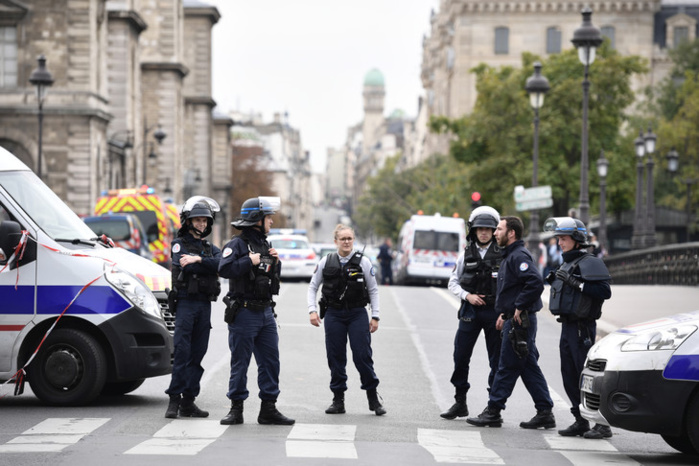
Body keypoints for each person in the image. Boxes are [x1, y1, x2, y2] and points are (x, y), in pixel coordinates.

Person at [466, 216, 555, 429]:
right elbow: (513, 290)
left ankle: (494, 411)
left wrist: (518, 307)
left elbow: (535, 283)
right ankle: (545, 411)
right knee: (528, 366)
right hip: (514, 319)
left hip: (520, 322)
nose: (495, 233)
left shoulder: (519, 256)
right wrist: (505, 313)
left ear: (511, 233)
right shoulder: (510, 255)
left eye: (499, 229)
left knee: (506, 365)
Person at [218, 196, 295, 426]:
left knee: (271, 362)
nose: (271, 221)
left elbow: (270, 279)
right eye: (268, 217)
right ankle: (236, 409)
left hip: (266, 313)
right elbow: (224, 269)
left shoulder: (265, 245)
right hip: (244, 313)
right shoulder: (237, 245)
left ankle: (268, 409)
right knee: (240, 362)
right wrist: (247, 262)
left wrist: (275, 263)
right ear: (256, 219)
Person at [544, 217, 612, 439]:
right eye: (559, 239)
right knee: (568, 374)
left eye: (563, 239)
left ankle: (602, 424)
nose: (560, 243)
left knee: (586, 376)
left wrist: (576, 283)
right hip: (568, 326)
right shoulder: (567, 262)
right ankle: (580, 420)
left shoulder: (589, 261)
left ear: (576, 239)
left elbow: (604, 291)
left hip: (582, 327)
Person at [307, 224, 386, 416]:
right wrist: (312, 311)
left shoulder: (364, 262)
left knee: (362, 355)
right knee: (335, 357)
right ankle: (338, 400)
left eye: (349, 238)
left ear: (353, 240)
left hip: (357, 313)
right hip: (334, 314)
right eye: (343, 239)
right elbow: (312, 287)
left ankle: (373, 397)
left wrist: (375, 316)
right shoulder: (327, 261)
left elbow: (373, 290)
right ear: (335, 241)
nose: (347, 242)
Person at [440, 206, 502, 420]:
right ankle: (460, 402)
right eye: (480, 229)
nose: (484, 232)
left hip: (495, 312)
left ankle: (493, 408)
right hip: (470, 310)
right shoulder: (465, 254)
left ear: (494, 230)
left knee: (496, 359)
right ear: (473, 231)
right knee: (460, 355)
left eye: (488, 229)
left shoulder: (503, 254)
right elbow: (453, 282)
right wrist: (468, 296)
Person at [165, 196, 222, 419]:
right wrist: (205, 264)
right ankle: (174, 401)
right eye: (197, 220)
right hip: (186, 304)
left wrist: (198, 261)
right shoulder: (179, 244)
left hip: (204, 305)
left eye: (204, 221)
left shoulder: (210, 248)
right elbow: (182, 265)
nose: (201, 224)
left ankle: (188, 402)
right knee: (182, 353)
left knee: (197, 355)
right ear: (188, 222)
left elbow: (222, 265)